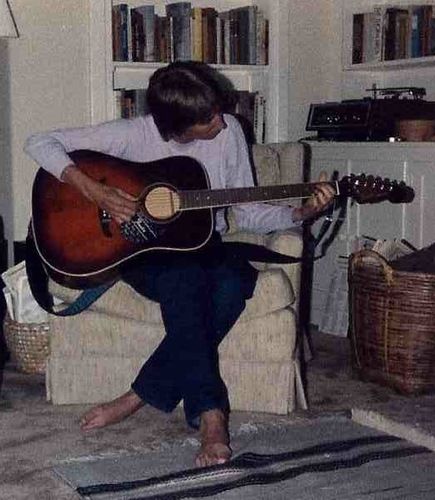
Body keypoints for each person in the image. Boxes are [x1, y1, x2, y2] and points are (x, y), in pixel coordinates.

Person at [24, 61, 334, 467]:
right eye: (208, 120)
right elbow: (39, 142)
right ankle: (212, 415)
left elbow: (250, 211)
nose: (221, 123)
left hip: (202, 243)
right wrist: (95, 191)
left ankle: (139, 394)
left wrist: (300, 213)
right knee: (186, 278)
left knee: (235, 279)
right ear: (176, 128)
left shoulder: (230, 131)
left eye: (218, 112)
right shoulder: (134, 135)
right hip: (142, 252)